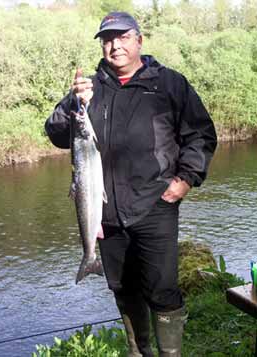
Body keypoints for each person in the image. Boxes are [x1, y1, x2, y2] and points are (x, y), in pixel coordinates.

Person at [45, 11, 217, 357]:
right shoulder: (90, 90)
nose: (115, 45)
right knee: (123, 288)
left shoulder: (169, 84)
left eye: (123, 37)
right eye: (108, 39)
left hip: (156, 205)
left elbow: (200, 135)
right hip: (104, 212)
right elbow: (58, 135)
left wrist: (185, 180)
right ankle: (139, 351)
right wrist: (71, 102)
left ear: (139, 40)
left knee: (162, 289)